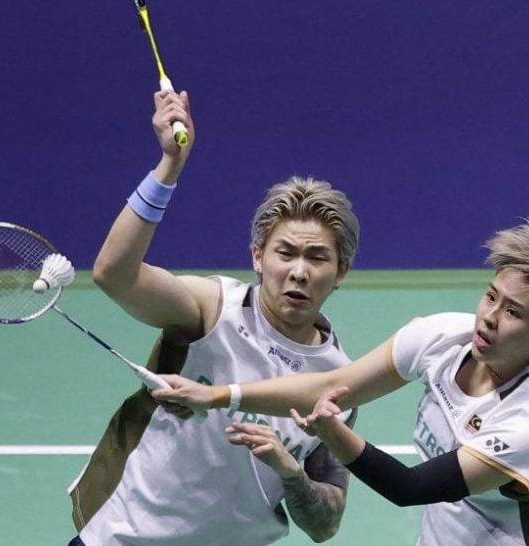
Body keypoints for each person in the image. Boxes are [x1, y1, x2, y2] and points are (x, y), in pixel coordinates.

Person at [155, 218, 529, 546]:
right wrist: (218, 395)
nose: (489, 317)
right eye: (491, 296)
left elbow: (410, 487)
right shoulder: (445, 338)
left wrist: (334, 432)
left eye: (513, 312)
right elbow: (333, 385)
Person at [67, 88, 361, 546]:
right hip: (125, 537)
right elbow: (114, 274)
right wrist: (169, 166)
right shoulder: (212, 308)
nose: (299, 272)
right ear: (258, 256)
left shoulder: (338, 380)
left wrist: (291, 473)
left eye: (317, 258)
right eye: (285, 253)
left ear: (340, 271)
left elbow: (325, 525)